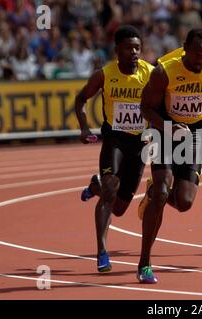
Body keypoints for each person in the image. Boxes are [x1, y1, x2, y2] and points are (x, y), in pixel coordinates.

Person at [137, 28, 202, 284]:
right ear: (184, 49)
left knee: (184, 203)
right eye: (195, 55)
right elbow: (145, 107)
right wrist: (168, 127)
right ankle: (145, 263)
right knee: (162, 192)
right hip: (165, 129)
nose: (199, 61)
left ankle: (151, 192)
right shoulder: (164, 71)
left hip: (196, 132)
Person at [75, 26, 154, 273]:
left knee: (119, 208)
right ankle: (102, 251)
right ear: (117, 50)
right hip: (115, 140)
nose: (134, 53)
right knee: (111, 190)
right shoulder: (105, 75)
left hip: (140, 144)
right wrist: (84, 128)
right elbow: (80, 99)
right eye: (129, 48)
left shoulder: (150, 74)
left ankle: (94, 186)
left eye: (137, 48)